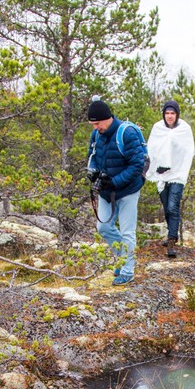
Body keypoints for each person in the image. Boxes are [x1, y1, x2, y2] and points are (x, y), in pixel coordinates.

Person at [86, 98, 147, 286]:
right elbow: (92, 156)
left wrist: (115, 181)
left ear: (107, 118)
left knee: (128, 232)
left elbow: (137, 164)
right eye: (92, 124)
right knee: (103, 227)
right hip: (106, 191)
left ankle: (127, 271)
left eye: (97, 123)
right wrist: (94, 174)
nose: (96, 127)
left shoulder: (126, 133)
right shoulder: (96, 135)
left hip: (128, 190)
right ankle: (123, 257)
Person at [145, 100, 195, 258]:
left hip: (177, 174)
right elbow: (151, 149)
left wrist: (174, 165)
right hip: (161, 174)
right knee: (166, 207)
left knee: (173, 207)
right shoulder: (157, 128)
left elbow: (188, 151)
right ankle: (171, 233)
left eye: (172, 113)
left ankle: (172, 242)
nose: (170, 116)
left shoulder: (184, 129)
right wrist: (156, 166)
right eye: (167, 113)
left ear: (177, 114)